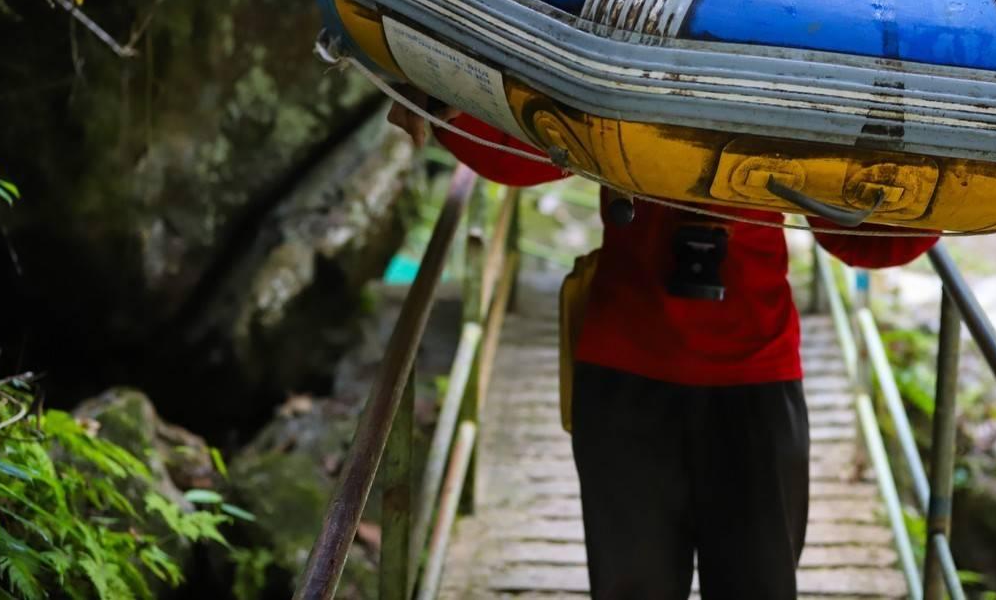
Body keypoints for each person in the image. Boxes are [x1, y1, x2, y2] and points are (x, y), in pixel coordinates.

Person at [388, 94, 938, 600]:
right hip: (630, 369)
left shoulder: (790, 84)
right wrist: (445, 103)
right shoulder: (625, 67)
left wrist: (962, 182)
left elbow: (862, 235)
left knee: (760, 585)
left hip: (749, 376)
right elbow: (530, 147)